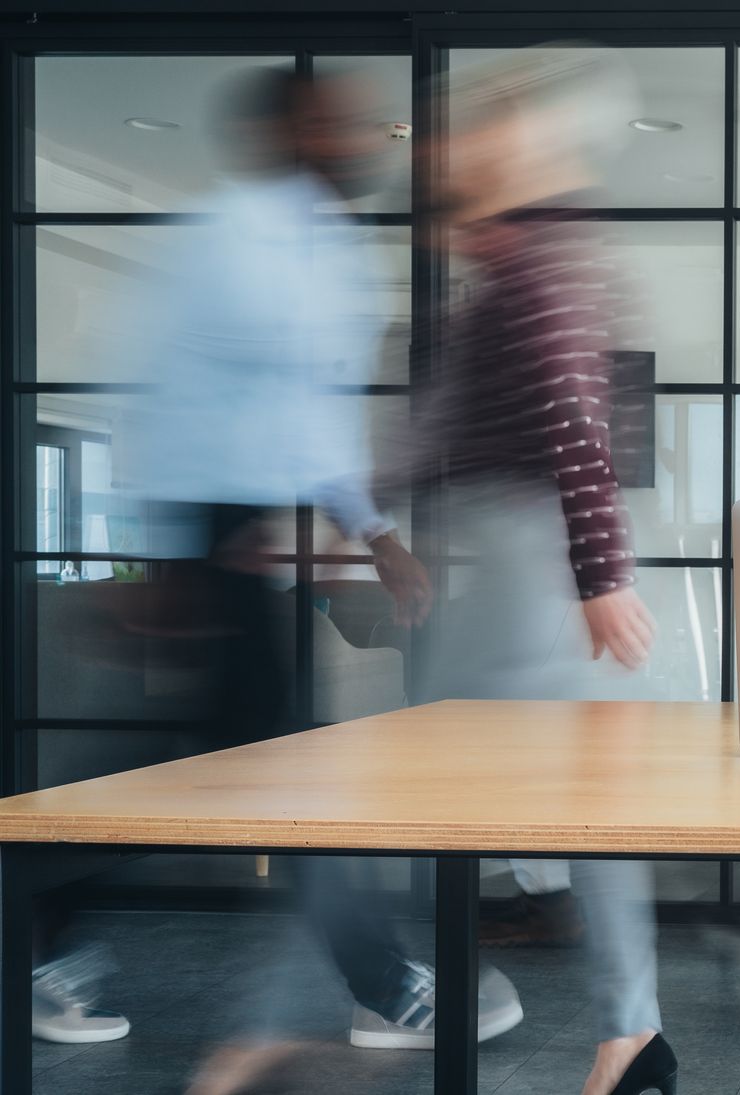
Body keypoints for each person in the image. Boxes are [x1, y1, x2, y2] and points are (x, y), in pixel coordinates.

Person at [114, 64, 528, 1064]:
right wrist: (163, 557)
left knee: (206, 771)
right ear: (281, 135)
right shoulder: (226, 238)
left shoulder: (324, 248)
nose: (351, 138)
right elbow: (159, 390)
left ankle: (47, 938)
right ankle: (383, 986)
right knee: (257, 770)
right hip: (209, 535)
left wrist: (378, 536)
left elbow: (311, 418)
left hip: (251, 536)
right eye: (328, 123)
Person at [417, 47, 674, 1095]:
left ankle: (388, 991)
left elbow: (576, 427)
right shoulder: (526, 257)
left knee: (393, 787)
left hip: (534, 561)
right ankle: (631, 1034)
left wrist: (599, 572)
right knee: (593, 804)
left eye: (480, 138)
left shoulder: (532, 268)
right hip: (525, 554)